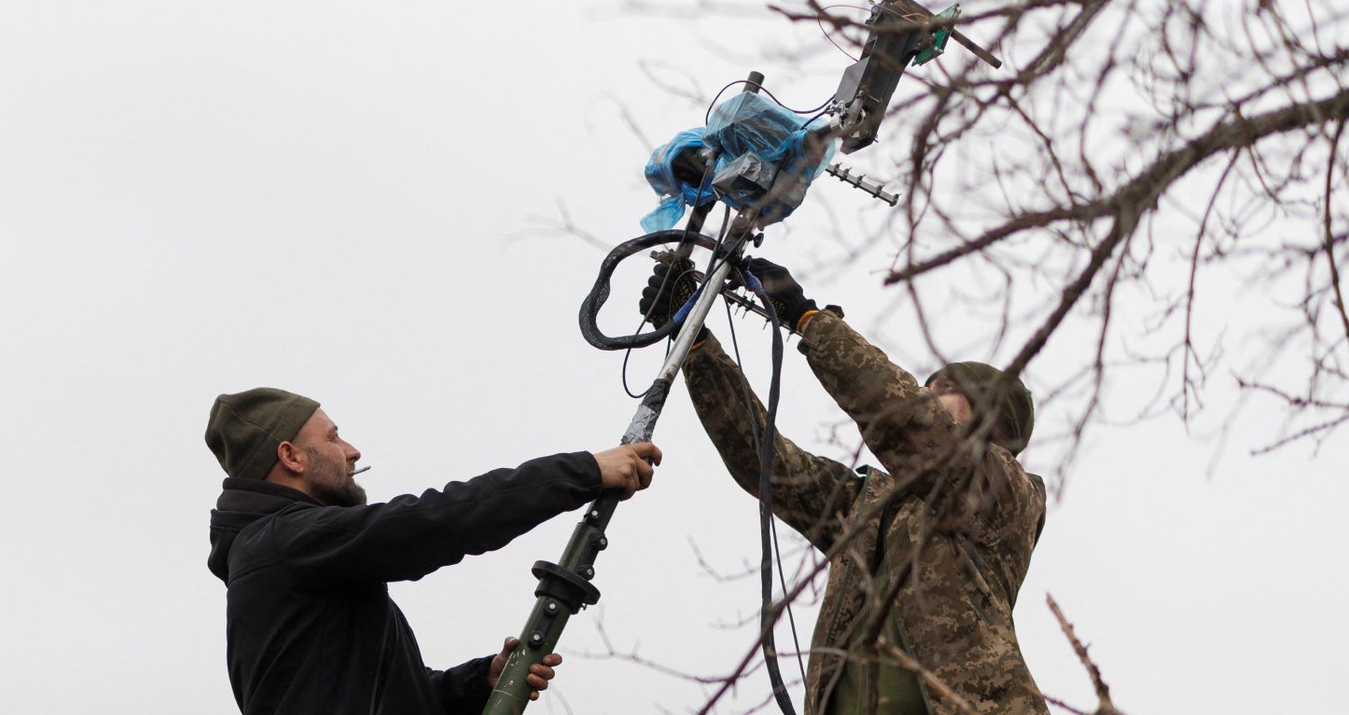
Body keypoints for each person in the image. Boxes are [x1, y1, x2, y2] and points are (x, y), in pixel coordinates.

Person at [641, 256, 1047, 715]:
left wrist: (809, 320)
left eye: (946, 388)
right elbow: (766, 462)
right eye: (927, 387)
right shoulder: (873, 506)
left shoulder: (1009, 493)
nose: (929, 395)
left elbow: (910, 420)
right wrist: (694, 341)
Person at [204, 387, 662, 715]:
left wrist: (478, 681)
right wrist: (584, 471)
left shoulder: (290, 556)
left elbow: (393, 698)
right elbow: (435, 521)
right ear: (292, 457)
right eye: (332, 437)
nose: (352, 450)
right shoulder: (284, 541)